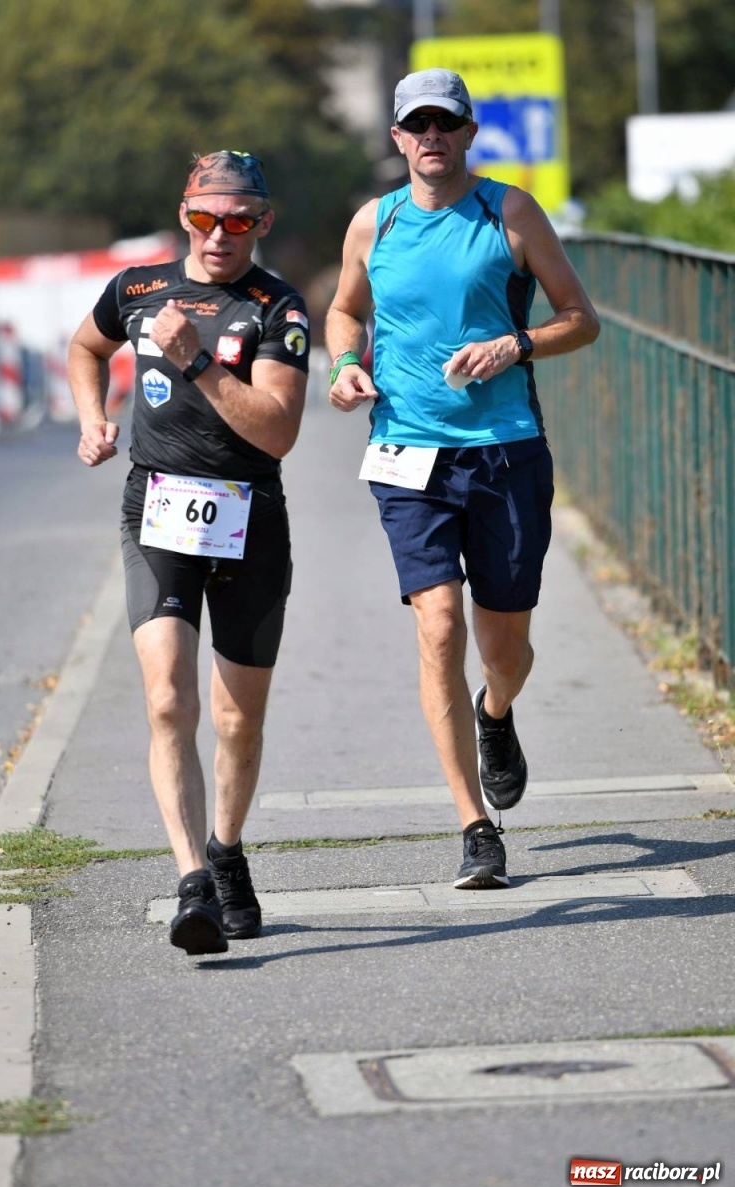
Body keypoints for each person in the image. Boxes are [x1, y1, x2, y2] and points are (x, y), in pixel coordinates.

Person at [326, 69, 600, 890]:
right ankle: (475, 824)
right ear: (398, 139)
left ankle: (496, 712)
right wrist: (344, 363)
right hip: (407, 455)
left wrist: (515, 345)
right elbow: (344, 310)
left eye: (447, 123)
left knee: (503, 646)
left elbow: (581, 319)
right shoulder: (374, 224)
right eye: (418, 125)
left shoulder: (510, 212)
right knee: (439, 626)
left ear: (470, 133)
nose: (432, 137)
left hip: (507, 449)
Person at [68, 150, 309, 955]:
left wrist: (196, 362)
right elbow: (85, 347)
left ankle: (227, 850)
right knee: (170, 700)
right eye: (206, 218)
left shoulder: (278, 308)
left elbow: (278, 428)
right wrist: (91, 419)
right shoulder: (136, 290)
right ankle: (190, 883)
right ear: (185, 216)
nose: (219, 235)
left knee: (238, 716)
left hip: (249, 515)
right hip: (158, 510)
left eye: (239, 220)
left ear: (262, 224)